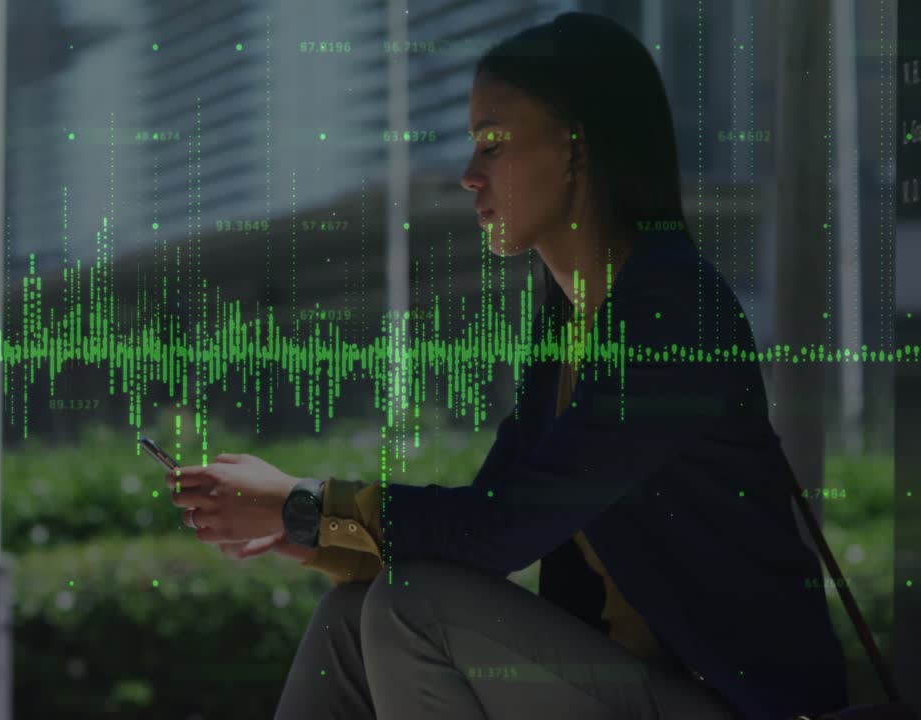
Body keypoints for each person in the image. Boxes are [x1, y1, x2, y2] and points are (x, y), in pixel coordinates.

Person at [163, 12, 848, 720]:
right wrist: (294, 527)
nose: (467, 177)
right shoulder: (570, 321)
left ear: (578, 148)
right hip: (632, 691)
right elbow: (478, 534)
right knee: (352, 613)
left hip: (730, 705)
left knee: (411, 606)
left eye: (492, 145)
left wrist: (300, 501)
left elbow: (502, 530)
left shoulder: (670, 309)